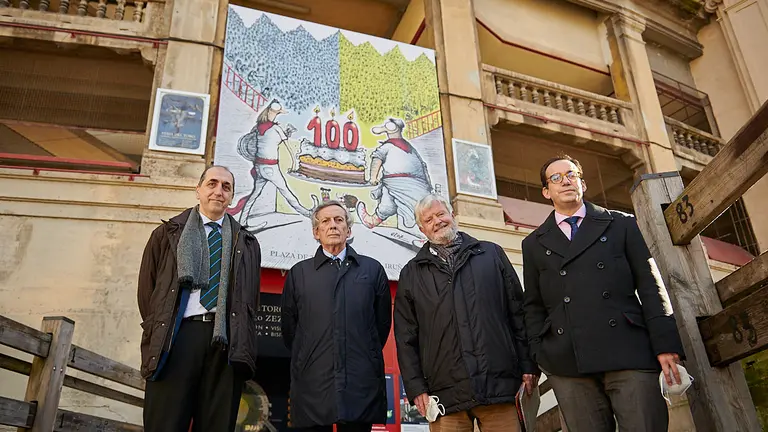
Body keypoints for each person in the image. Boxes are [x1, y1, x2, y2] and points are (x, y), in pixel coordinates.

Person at [522, 154, 685, 432]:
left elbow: (650, 286)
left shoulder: (621, 224)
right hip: (567, 363)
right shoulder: (533, 244)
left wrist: (666, 345)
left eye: (572, 175)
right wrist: (540, 355)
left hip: (629, 351)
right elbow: (533, 306)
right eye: (556, 178)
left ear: (583, 184)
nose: (566, 182)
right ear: (546, 192)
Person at [394, 194, 538, 432]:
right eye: (429, 219)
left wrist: (528, 365)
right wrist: (416, 387)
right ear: (422, 229)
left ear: (452, 215)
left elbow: (519, 314)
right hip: (444, 397)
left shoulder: (492, 255)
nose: (437, 221)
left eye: (440, 214)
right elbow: (406, 337)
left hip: (500, 387)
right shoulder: (411, 274)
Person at [138, 165, 262, 432]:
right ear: (198, 190)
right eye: (212, 184)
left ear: (231, 197)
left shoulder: (247, 242)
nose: (218, 191)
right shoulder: (168, 233)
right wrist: (160, 327)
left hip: (225, 343)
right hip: (177, 338)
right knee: (165, 422)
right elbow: (148, 293)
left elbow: (249, 300)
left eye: (226, 187)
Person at [281, 200, 392, 432]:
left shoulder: (372, 270)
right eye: (326, 221)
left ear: (348, 231)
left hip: (360, 380)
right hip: (313, 381)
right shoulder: (299, 274)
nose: (333, 225)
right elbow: (290, 330)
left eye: (339, 220)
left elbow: (380, 327)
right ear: (316, 232)